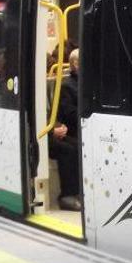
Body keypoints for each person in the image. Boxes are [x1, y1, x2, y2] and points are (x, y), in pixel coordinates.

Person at [49, 48, 81, 211]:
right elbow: (68, 113)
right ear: (75, 63)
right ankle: (68, 194)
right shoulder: (67, 86)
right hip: (70, 129)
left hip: (74, 128)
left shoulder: (86, 84)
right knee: (71, 149)